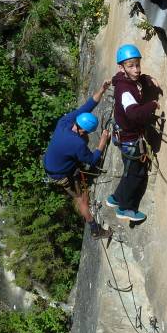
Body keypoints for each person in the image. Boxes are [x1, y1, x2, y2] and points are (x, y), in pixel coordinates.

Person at [44, 81, 112, 239]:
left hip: (53, 162)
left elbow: (87, 107)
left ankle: (73, 166)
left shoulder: (66, 122)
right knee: (82, 199)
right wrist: (103, 141)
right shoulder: (78, 144)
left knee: (74, 159)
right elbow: (93, 160)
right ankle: (95, 228)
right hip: (60, 174)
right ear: (82, 131)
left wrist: (102, 89)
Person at [105, 44, 161, 222]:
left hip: (125, 136)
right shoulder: (125, 90)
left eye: (138, 64)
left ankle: (115, 198)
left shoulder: (125, 80)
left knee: (129, 170)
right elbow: (134, 113)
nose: (136, 69)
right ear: (121, 67)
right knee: (136, 174)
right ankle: (125, 208)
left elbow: (135, 80)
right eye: (131, 66)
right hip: (130, 140)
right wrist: (152, 105)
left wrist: (146, 78)